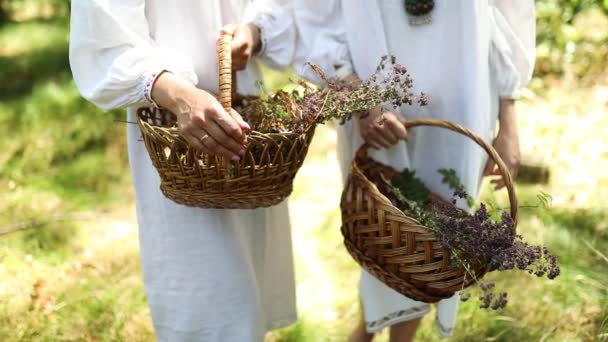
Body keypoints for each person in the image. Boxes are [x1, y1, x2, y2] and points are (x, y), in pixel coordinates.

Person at [294, 0, 536, 340]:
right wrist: (360, 100)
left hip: (464, 91)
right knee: (385, 227)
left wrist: (508, 120)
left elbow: (506, 13)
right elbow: (315, 16)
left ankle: (375, 335)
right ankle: (365, 333)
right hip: (373, 93)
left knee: (437, 241)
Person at [69, 1, 299, 340]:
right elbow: (103, 36)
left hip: (243, 115)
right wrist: (180, 97)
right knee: (206, 295)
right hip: (175, 136)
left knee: (247, 289)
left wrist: (252, 30)